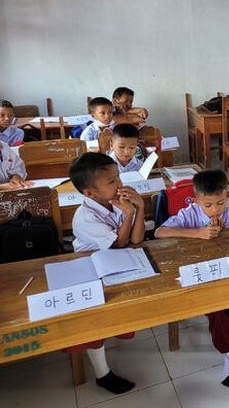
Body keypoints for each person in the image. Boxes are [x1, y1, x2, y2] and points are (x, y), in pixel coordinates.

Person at [155, 170, 229, 399]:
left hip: (221, 269)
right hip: (194, 275)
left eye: (220, 203)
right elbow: (159, 232)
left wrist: (223, 231)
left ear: (227, 195)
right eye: (208, 205)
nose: (215, 209)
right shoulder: (188, 214)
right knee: (216, 306)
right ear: (196, 200)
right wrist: (197, 233)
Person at [68, 152, 145, 394]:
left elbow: (135, 239)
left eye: (118, 177)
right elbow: (119, 244)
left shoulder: (115, 202)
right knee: (94, 319)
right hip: (88, 267)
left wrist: (140, 207)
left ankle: (115, 331)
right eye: (111, 182)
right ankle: (102, 373)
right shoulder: (85, 217)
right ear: (90, 193)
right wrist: (130, 213)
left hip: (115, 262)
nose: (119, 184)